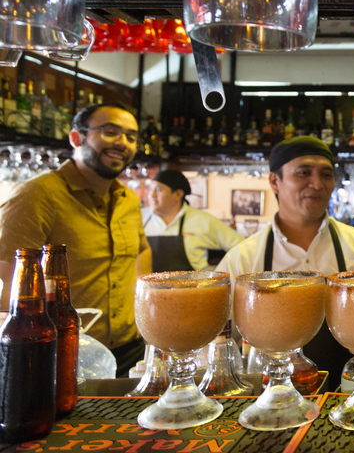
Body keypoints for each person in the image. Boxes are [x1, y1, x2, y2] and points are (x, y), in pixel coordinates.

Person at [216, 136, 354, 386]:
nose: (317, 184)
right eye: (304, 172)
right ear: (275, 181)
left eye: (326, 174)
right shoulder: (242, 258)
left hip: (350, 403)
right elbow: (218, 342)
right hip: (271, 407)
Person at [0, 102, 152, 377]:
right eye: (110, 131)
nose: (122, 143)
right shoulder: (36, 196)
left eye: (131, 137)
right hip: (64, 351)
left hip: (131, 349)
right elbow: (8, 274)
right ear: (75, 137)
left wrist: (148, 315)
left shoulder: (128, 200)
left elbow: (141, 251)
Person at [142, 170, 245, 272]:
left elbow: (243, 248)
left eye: (159, 190)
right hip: (147, 288)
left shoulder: (202, 220)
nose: (151, 195)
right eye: (150, 189)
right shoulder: (139, 218)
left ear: (178, 194)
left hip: (192, 287)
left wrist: (220, 274)